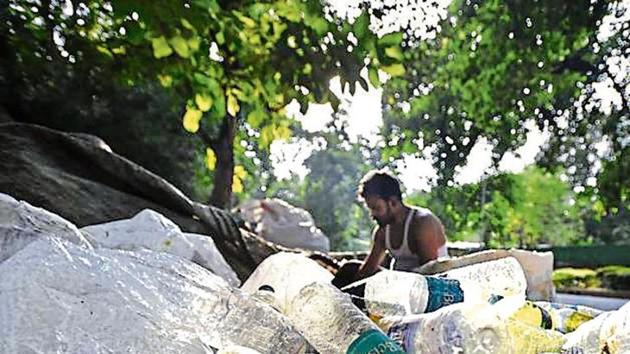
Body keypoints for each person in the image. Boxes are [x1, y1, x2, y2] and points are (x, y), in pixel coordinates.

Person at [332, 169, 448, 288]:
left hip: (427, 287)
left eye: (376, 208)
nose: (372, 215)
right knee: (349, 268)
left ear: (392, 202)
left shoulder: (422, 223)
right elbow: (367, 270)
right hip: (397, 283)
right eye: (370, 209)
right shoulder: (382, 232)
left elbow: (431, 273)